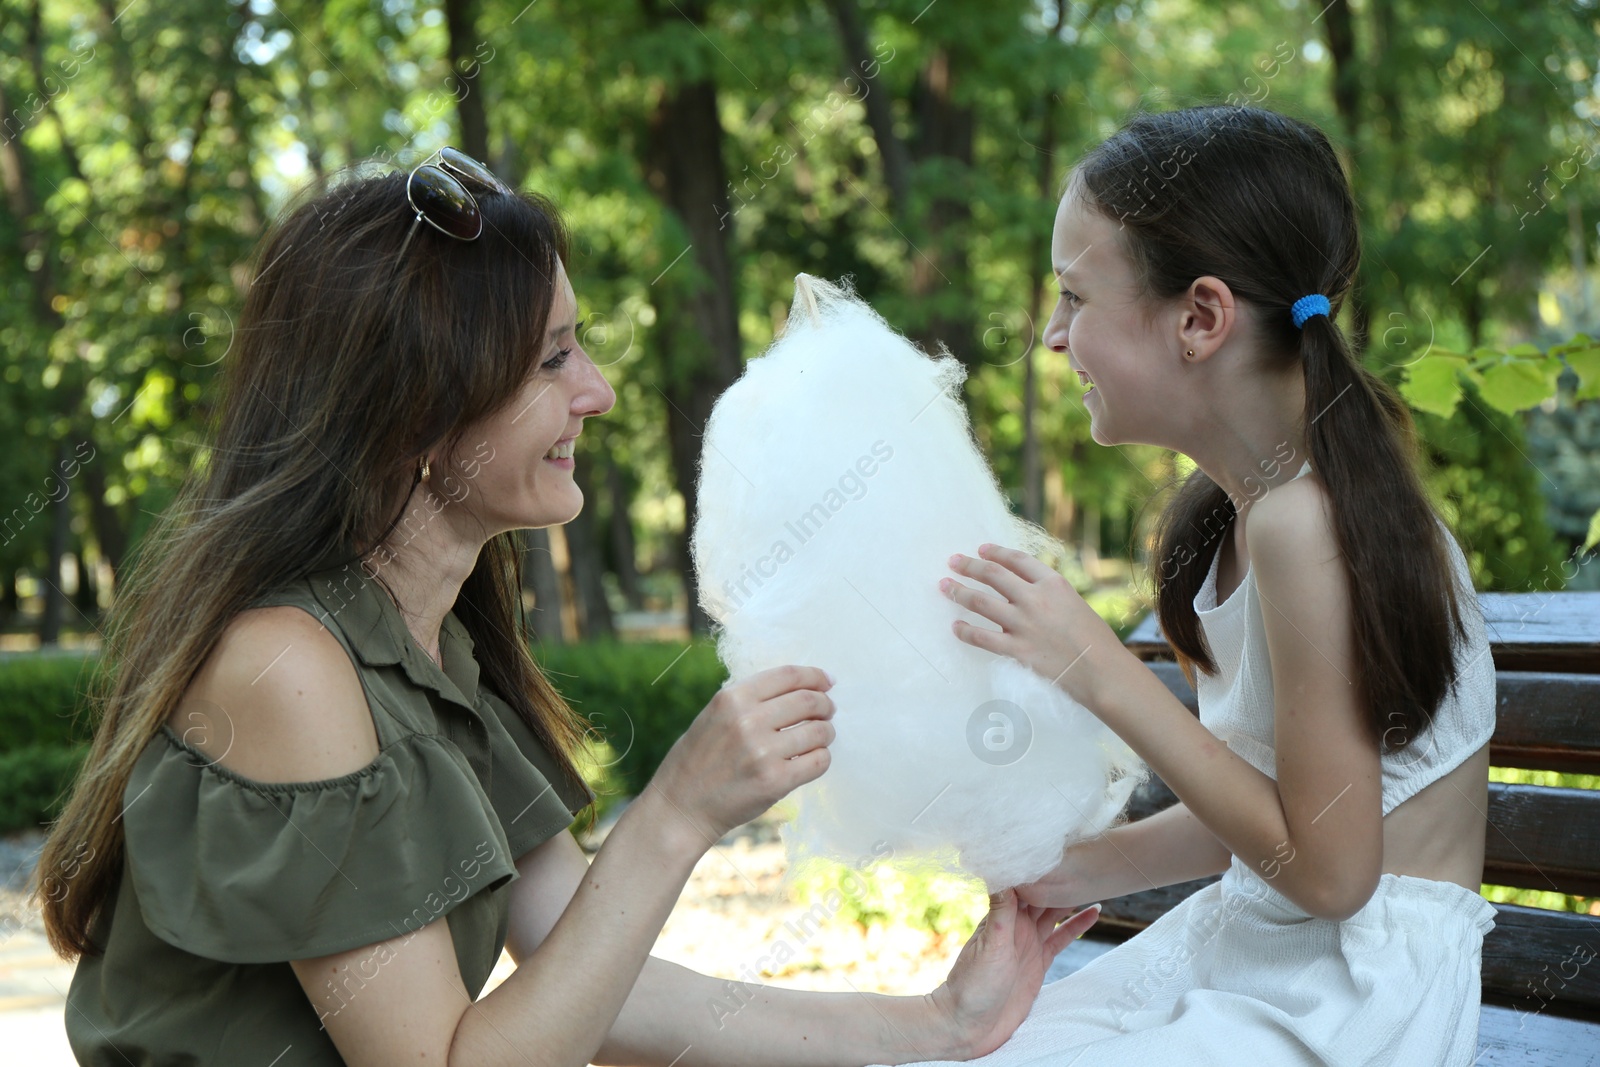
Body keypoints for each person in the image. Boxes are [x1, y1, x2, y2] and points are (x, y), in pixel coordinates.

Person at [36, 147, 1100, 1066]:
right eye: (552, 358)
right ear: (420, 403)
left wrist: (934, 1021)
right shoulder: (289, 667)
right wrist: (677, 810)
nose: (595, 390)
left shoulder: (429, 647)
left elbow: (590, 985)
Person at [897, 105, 1497, 1066]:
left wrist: (1097, 665)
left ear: (1200, 317)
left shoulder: (1312, 520)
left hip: (1347, 997)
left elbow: (1334, 875)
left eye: (1074, 297)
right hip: (1255, 946)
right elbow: (1260, 823)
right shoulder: (1233, 518)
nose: (1052, 336)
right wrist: (1062, 871)